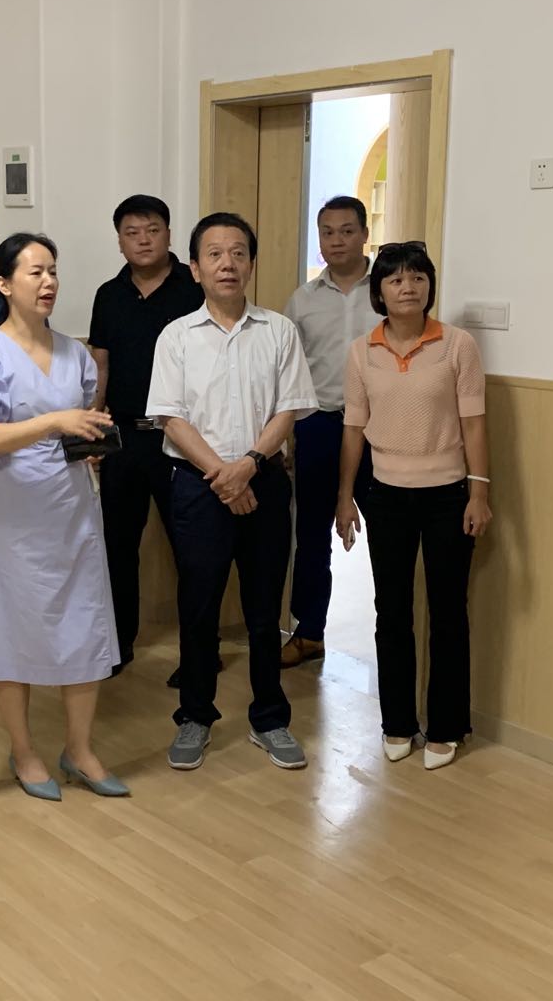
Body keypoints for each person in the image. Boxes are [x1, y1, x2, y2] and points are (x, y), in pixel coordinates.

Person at [0, 232, 129, 801]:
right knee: (15, 628)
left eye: (53, 270)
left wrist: (89, 442)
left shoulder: (76, 354)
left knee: (83, 622)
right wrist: (55, 423)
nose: (49, 281)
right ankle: (24, 751)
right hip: (16, 514)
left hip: (73, 507)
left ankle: (79, 749)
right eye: (35, 272)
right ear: (5, 284)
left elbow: (80, 422)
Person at [146, 212, 318, 771]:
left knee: (265, 611)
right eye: (215, 254)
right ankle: (195, 716)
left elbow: (289, 408)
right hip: (199, 486)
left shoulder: (279, 331)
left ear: (251, 264)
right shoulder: (176, 336)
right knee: (199, 608)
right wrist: (224, 475)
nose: (228, 263)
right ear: (195, 268)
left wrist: (247, 466)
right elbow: (171, 419)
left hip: (262, 479)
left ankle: (269, 719)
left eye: (238, 253)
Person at [334, 242, 491, 770]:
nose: (409, 287)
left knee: (448, 612)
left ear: (430, 286)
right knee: (392, 611)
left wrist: (479, 492)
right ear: (379, 291)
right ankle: (397, 722)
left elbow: (474, 424)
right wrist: (345, 498)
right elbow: (353, 429)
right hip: (385, 496)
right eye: (396, 279)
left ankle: (447, 726)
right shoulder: (361, 352)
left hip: (449, 495)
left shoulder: (458, 345)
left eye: (418, 277)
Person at [87, 194, 202, 676]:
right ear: (119, 241)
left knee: (191, 547)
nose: (143, 240)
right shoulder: (108, 294)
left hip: (180, 438)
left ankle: (199, 653)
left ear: (169, 234)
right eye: (131, 233)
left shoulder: (193, 287)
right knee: (117, 545)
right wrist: (93, 426)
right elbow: (100, 365)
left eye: (152, 230)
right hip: (123, 437)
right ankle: (119, 643)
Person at [282, 195, 381, 669]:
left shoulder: (387, 291)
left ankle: (391, 636)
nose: (336, 240)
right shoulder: (301, 301)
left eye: (346, 230)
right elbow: (288, 372)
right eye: (327, 232)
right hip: (319, 423)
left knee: (389, 533)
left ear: (364, 235)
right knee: (311, 532)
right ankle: (309, 632)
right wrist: (288, 433)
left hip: (381, 427)